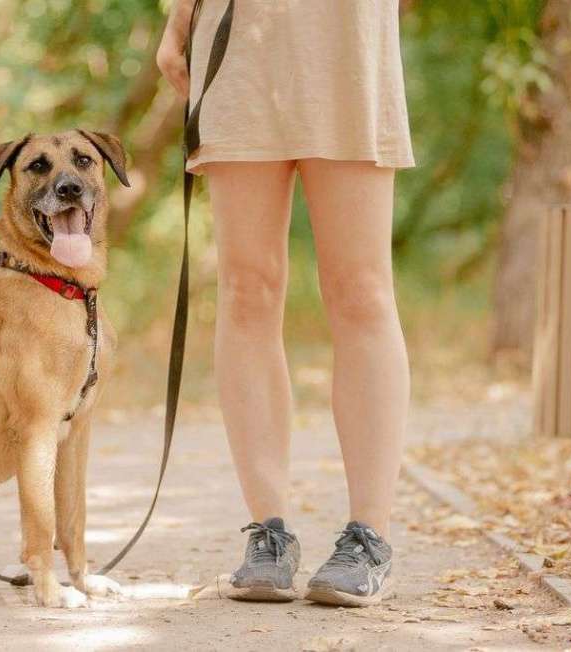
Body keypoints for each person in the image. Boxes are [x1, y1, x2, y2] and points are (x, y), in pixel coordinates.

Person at [156, 0, 413, 606]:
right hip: (239, 39)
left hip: (348, 35)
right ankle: (268, 536)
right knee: (247, 289)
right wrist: (178, 14)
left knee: (361, 291)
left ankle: (368, 537)